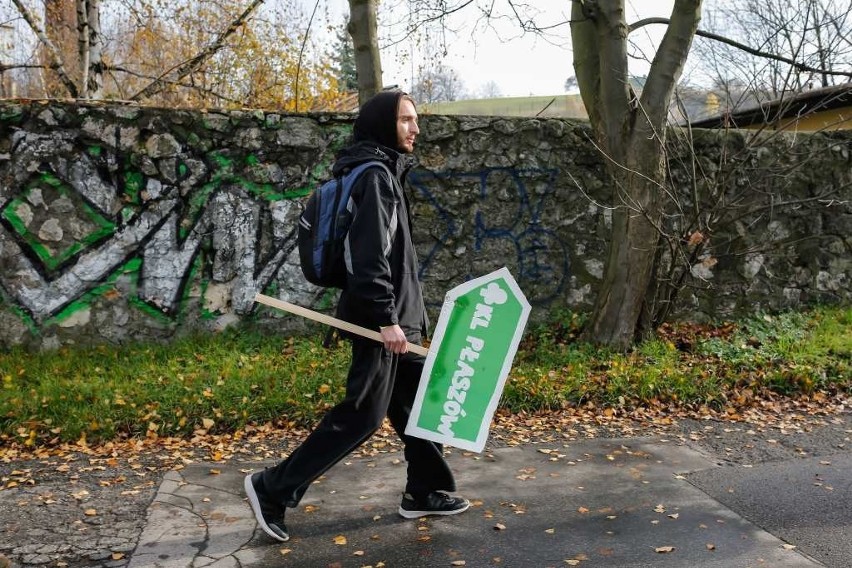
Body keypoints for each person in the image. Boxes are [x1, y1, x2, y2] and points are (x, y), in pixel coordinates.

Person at [244, 90, 469, 543]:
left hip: (399, 316)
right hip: (381, 321)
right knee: (362, 415)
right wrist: (386, 319)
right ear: (385, 124)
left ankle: (425, 490)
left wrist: (403, 317)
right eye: (406, 119)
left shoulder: (381, 172)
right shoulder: (375, 178)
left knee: (418, 407)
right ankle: (272, 488)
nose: (415, 128)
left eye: (415, 120)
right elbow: (369, 259)